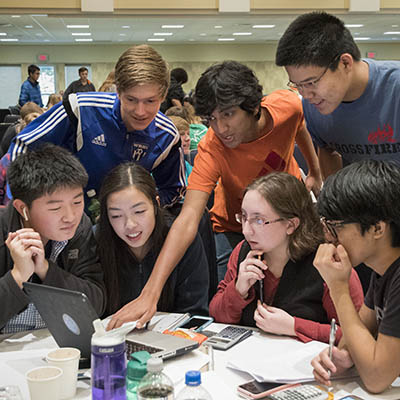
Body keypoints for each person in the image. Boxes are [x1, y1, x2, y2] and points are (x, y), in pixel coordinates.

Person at [108, 60, 322, 328]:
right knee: (227, 308)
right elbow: (188, 220)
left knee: (299, 299)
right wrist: (150, 294)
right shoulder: (213, 147)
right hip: (233, 229)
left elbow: (298, 125)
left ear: (253, 107)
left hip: (287, 222)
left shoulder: (286, 106)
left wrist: (315, 171)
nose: (221, 129)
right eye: (211, 120)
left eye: (229, 115)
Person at [0, 45, 185, 217]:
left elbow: (173, 189)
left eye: (150, 101)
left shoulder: (167, 136)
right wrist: (19, 211)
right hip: (65, 220)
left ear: (163, 96)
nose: (140, 111)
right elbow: (22, 147)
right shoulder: (79, 109)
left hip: (123, 227)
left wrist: (150, 204)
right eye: (131, 100)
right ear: (118, 91)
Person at [209, 172, 363, 343]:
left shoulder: (327, 261)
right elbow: (217, 316)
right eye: (244, 217)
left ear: (291, 225)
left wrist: (294, 326)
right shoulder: (243, 252)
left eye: (258, 221)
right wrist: (237, 291)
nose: (246, 230)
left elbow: (357, 337)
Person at [275, 11, 400, 180]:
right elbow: (327, 149)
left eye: (311, 82)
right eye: (298, 85)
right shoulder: (314, 105)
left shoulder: (394, 87)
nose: (305, 94)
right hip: (362, 201)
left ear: (345, 63)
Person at [311, 160, 400, 393]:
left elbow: (376, 379)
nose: (329, 237)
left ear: (377, 228)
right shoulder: (383, 270)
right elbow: (354, 337)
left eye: (335, 226)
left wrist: (338, 288)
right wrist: (343, 358)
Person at [0, 144, 106, 333]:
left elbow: (96, 303)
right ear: (22, 208)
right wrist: (18, 276)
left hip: (57, 345)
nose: (70, 216)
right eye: (55, 208)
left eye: (77, 202)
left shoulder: (80, 227)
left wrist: (46, 269)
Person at [97, 163, 209, 320]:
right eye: (116, 216)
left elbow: (195, 313)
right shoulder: (97, 241)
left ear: (156, 204)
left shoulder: (181, 239)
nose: (130, 225)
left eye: (139, 212)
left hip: (171, 339)